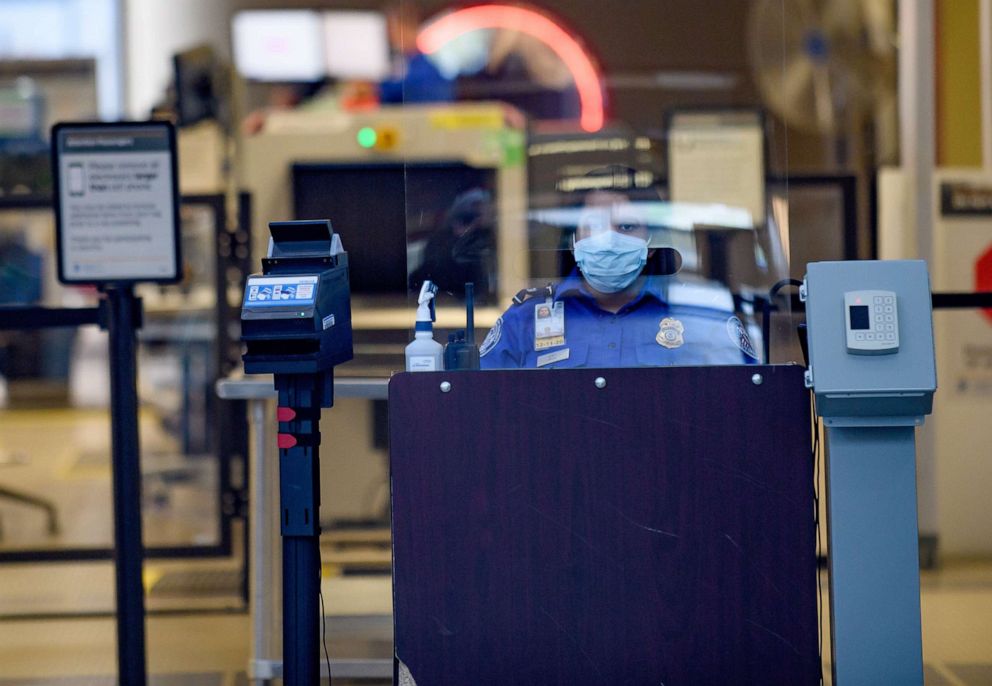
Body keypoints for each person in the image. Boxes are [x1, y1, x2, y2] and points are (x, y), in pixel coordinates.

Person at [480, 180, 758, 369]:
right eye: (595, 225)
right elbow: (484, 408)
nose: (609, 239)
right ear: (572, 240)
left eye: (626, 226)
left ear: (651, 244)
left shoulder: (700, 314)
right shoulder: (525, 320)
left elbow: (743, 405)